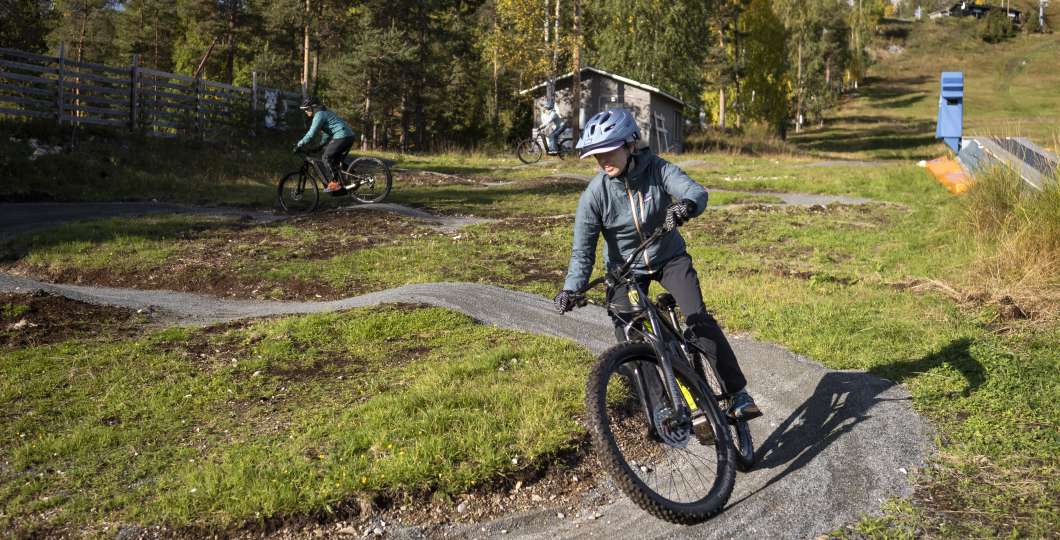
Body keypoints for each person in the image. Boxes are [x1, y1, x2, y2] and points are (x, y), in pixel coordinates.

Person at [552, 107, 761, 421]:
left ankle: (738, 394)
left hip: (669, 258)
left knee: (697, 320)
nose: (603, 160)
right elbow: (582, 254)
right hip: (624, 271)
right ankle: (662, 408)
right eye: (597, 156)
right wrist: (570, 289)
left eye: (609, 151)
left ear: (629, 144)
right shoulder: (593, 197)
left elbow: (693, 191)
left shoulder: (657, 170)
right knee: (630, 332)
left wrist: (685, 206)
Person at [294, 96, 356, 192]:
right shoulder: (324, 112)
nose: (306, 112)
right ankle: (355, 177)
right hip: (349, 136)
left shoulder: (319, 115)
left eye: (306, 109)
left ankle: (335, 183)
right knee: (335, 161)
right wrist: (320, 145)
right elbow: (327, 133)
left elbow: (311, 134)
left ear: (312, 107)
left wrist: (299, 144)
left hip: (342, 136)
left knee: (326, 157)